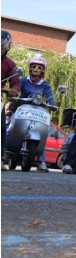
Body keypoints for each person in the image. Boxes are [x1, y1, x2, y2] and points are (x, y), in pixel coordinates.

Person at [14, 57, 55, 172]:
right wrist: (14, 95)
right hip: (22, 108)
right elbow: (16, 89)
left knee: (41, 134)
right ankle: (3, 155)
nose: (36, 69)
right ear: (30, 68)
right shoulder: (23, 80)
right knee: (10, 128)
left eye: (39, 67)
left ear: (43, 70)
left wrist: (53, 104)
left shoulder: (45, 85)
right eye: (34, 66)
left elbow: (50, 97)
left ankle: (41, 162)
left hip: (37, 112)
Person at [1, 30, 20, 171]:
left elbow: (15, 82)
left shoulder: (10, 64)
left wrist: (14, 89)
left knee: (2, 126)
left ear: (7, 48)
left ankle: (1, 157)